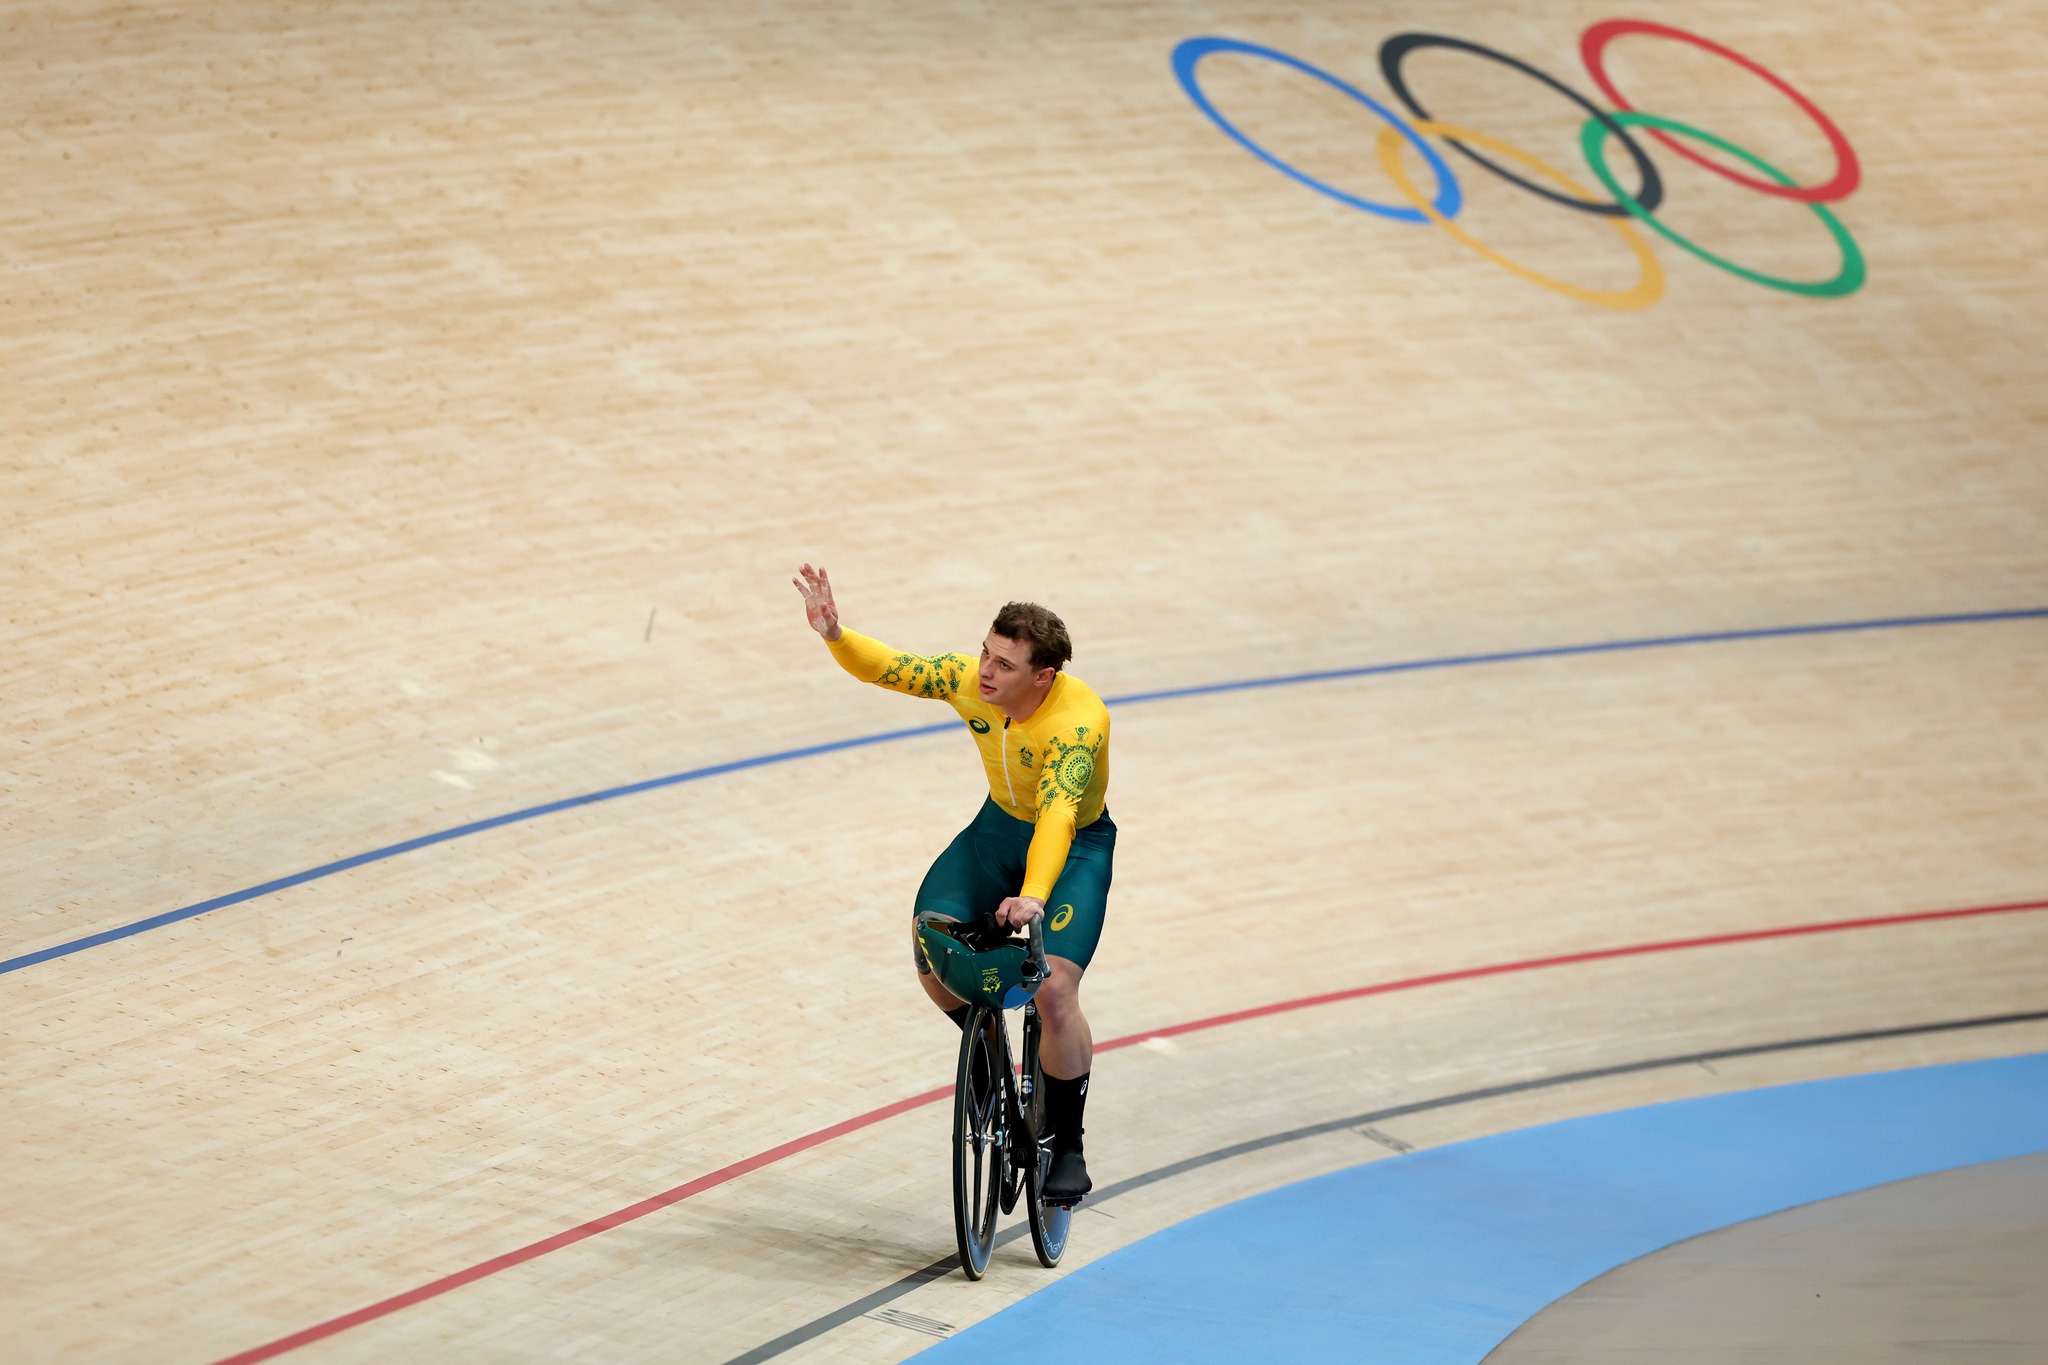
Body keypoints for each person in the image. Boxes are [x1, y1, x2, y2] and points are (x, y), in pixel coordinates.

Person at [793, 563, 1112, 1201]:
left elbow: (1057, 815)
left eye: (1004, 665)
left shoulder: (1078, 724)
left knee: (1053, 994)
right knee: (928, 943)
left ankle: (1067, 1144)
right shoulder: (972, 681)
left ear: (1043, 677)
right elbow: (895, 667)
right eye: (985, 655)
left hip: (1071, 849)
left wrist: (1036, 896)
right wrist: (835, 633)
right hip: (995, 834)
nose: (985, 672)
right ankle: (992, 1058)